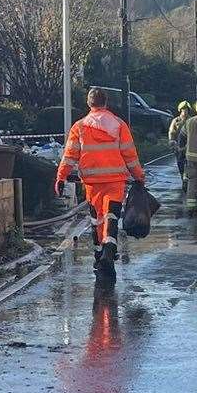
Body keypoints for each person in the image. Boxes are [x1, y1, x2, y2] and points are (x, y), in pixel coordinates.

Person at [55, 88, 146, 279]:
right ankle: (109, 251)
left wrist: (61, 177)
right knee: (111, 215)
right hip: (115, 181)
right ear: (106, 103)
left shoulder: (79, 127)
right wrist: (139, 176)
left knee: (97, 219)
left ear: (89, 104)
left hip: (91, 183)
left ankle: (99, 255)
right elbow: (130, 154)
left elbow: (70, 155)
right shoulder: (119, 125)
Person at [167, 100, 192, 201]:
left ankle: (186, 180)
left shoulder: (191, 121)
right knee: (180, 164)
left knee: (188, 163)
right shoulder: (176, 121)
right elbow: (171, 133)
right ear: (180, 110)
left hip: (189, 147)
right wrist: (172, 142)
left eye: (186, 110)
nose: (184, 112)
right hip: (178, 147)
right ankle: (183, 178)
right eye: (183, 110)